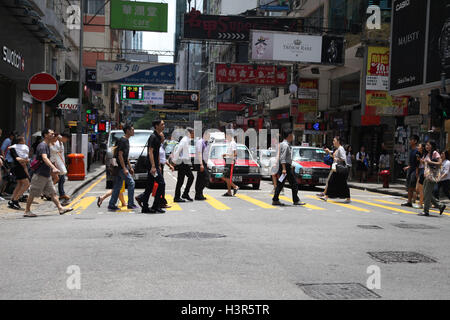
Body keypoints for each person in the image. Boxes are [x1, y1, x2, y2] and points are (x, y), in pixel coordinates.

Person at [23, 129, 73, 217]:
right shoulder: (42, 146)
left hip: (46, 174)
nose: (54, 135)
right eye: (51, 134)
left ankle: (60, 208)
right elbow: (45, 158)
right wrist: (53, 168)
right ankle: (27, 211)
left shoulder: (47, 145)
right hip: (40, 174)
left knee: (53, 193)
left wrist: (54, 167)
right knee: (33, 193)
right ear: (46, 135)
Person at [136, 120, 167, 214]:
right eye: (162, 124)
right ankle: (155, 206)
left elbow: (157, 153)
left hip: (155, 165)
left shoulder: (157, 136)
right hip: (151, 166)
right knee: (161, 183)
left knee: (150, 186)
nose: (164, 126)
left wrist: (158, 165)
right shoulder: (153, 137)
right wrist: (153, 166)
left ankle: (144, 205)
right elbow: (150, 152)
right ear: (156, 126)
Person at [272, 129, 306, 206]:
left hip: (285, 167)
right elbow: (283, 157)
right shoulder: (285, 145)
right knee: (294, 184)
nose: (293, 136)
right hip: (285, 167)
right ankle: (295, 200)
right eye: (292, 135)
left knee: (281, 184)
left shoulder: (284, 144)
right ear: (289, 135)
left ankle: (275, 199)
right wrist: (284, 168)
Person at [107, 125, 137, 211]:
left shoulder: (126, 140)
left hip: (122, 167)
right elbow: (120, 155)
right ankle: (130, 204)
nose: (133, 131)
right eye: (132, 130)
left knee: (117, 186)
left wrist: (130, 167)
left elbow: (125, 156)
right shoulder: (123, 141)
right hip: (120, 167)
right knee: (131, 183)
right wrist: (124, 168)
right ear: (127, 131)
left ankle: (112, 204)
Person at [320, 136, 351, 203]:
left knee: (341, 183)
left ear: (338, 141)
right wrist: (329, 153)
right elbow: (334, 156)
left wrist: (335, 158)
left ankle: (348, 198)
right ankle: (326, 196)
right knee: (332, 182)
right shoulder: (337, 149)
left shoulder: (341, 148)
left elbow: (343, 159)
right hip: (336, 168)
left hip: (340, 169)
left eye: (334, 140)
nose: (333, 142)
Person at [421, 140, 446, 216]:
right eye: (426, 145)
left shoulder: (435, 153)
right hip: (427, 175)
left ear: (432, 146)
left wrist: (430, 162)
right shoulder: (426, 154)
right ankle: (440, 205)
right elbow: (425, 163)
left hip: (432, 176)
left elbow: (440, 163)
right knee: (425, 193)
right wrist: (422, 161)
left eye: (428, 145)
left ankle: (426, 211)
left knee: (427, 193)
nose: (427, 146)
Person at [7, 135, 30, 210]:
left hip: (16, 167)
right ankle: (15, 200)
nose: (24, 141)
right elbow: (17, 158)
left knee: (19, 184)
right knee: (26, 184)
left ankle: (12, 200)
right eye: (23, 140)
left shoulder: (12, 147)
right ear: (20, 141)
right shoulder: (14, 149)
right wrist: (26, 161)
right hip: (18, 167)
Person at [172, 127, 195, 202]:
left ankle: (184, 194)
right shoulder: (184, 140)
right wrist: (175, 161)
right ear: (189, 133)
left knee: (188, 178)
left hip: (185, 162)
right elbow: (178, 150)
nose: (193, 134)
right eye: (192, 133)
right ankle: (178, 196)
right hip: (182, 162)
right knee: (183, 179)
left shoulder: (187, 140)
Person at [401, 135, 419, 207]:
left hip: (415, 171)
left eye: (411, 140)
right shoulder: (411, 150)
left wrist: (417, 172)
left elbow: (418, 163)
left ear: (415, 141)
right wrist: (408, 167)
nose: (410, 141)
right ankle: (409, 201)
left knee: (413, 187)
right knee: (409, 187)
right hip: (411, 170)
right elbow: (412, 162)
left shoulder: (417, 151)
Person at [221, 130, 239, 197]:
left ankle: (235, 186)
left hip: (230, 162)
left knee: (224, 177)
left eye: (226, 136)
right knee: (227, 177)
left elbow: (235, 154)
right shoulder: (230, 143)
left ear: (229, 136)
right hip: (228, 161)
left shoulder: (233, 143)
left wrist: (226, 155)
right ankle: (229, 192)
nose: (226, 137)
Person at [194, 130, 210, 200]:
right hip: (200, 162)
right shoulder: (200, 142)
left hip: (203, 162)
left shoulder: (206, 143)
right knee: (205, 178)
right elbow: (199, 153)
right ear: (205, 135)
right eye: (208, 135)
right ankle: (198, 194)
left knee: (201, 179)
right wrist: (201, 164)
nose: (209, 137)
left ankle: (199, 194)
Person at [414, 143, 427, 209]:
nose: (417, 147)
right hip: (421, 171)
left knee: (421, 188)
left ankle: (421, 203)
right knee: (419, 188)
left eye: (419, 146)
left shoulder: (426, 154)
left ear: (422, 148)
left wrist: (420, 160)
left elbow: (424, 163)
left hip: (424, 171)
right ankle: (426, 202)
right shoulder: (419, 154)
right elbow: (417, 164)